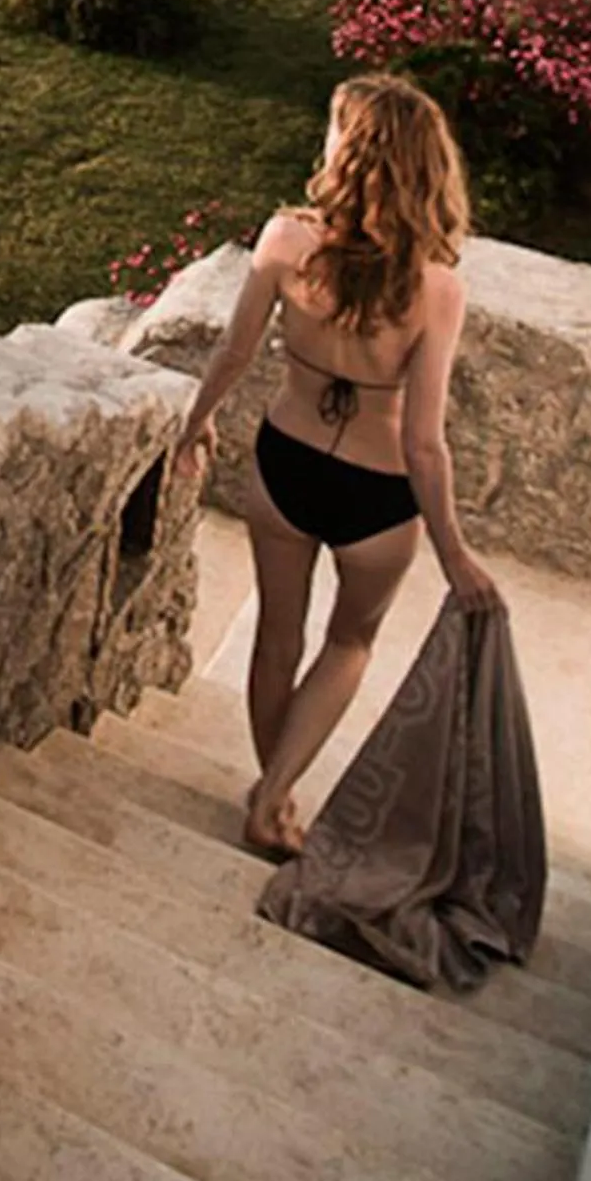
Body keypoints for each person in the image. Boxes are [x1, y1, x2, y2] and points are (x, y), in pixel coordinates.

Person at [171, 74, 501, 858]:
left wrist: (194, 426)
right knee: (349, 644)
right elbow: (424, 441)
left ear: (351, 154)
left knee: (276, 637)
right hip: (378, 495)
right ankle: (273, 795)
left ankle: (271, 792)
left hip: (286, 468)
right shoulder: (434, 289)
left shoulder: (285, 242)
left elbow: (235, 350)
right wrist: (454, 554)